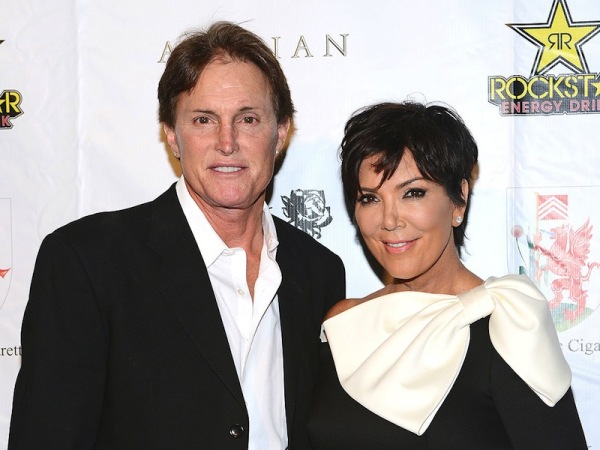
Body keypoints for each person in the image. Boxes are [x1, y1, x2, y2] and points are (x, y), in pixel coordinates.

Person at [9, 21, 345, 449]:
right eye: (204, 120)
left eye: (248, 119)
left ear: (280, 133)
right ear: (172, 134)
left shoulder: (317, 271)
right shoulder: (88, 262)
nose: (227, 142)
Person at [307, 101, 587, 449]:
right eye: (370, 199)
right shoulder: (342, 323)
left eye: (413, 193)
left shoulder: (510, 324)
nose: (389, 220)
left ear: (459, 200)